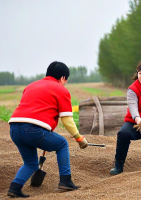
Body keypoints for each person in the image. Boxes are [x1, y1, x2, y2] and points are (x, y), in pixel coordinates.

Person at [7, 61, 89, 198]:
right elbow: (67, 120)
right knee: (62, 144)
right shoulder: (61, 89)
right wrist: (79, 138)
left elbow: (32, 110)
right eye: (66, 80)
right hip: (34, 129)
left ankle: (14, 188)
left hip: (14, 128)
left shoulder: (30, 86)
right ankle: (65, 181)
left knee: (31, 163)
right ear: (63, 78)